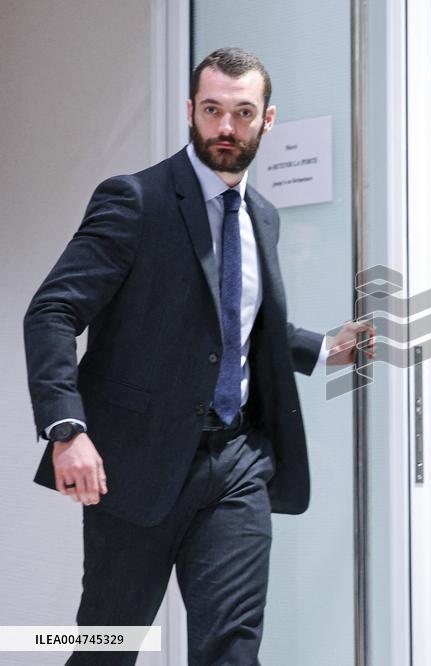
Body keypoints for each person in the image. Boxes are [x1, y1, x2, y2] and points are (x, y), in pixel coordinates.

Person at [23, 48, 374, 665]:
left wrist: (321, 349)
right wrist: (66, 428)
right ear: (191, 111)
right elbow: (52, 312)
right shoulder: (135, 201)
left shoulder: (262, 216)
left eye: (242, 113)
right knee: (107, 645)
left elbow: (230, 321)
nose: (225, 128)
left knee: (231, 650)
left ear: (267, 121)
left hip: (236, 464)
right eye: (212, 110)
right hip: (134, 465)